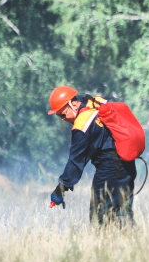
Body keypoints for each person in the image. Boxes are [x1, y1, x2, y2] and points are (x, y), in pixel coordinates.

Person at [47, 85, 137, 226]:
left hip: (110, 169)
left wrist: (61, 188)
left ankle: (103, 246)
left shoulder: (82, 125)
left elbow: (75, 161)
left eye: (62, 114)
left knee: (99, 216)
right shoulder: (96, 103)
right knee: (123, 214)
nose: (62, 119)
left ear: (73, 104)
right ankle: (133, 244)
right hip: (128, 166)